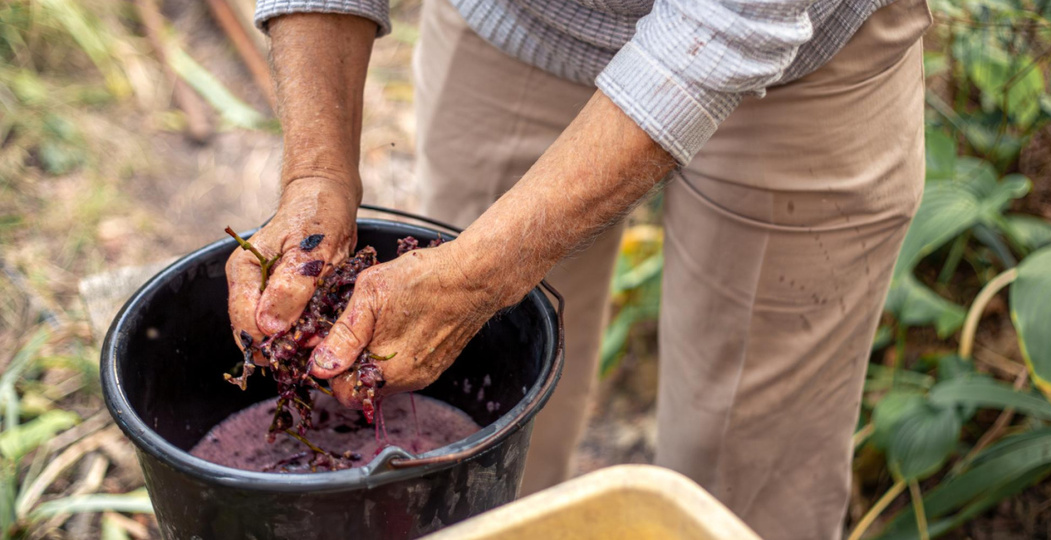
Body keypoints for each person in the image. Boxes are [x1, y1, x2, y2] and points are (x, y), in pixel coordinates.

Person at [225, 0, 931, 537]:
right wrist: (316, 174)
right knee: (485, 440)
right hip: (520, 25)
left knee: (749, 481)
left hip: (807, 50)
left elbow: (731, 26)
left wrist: (478, 277)